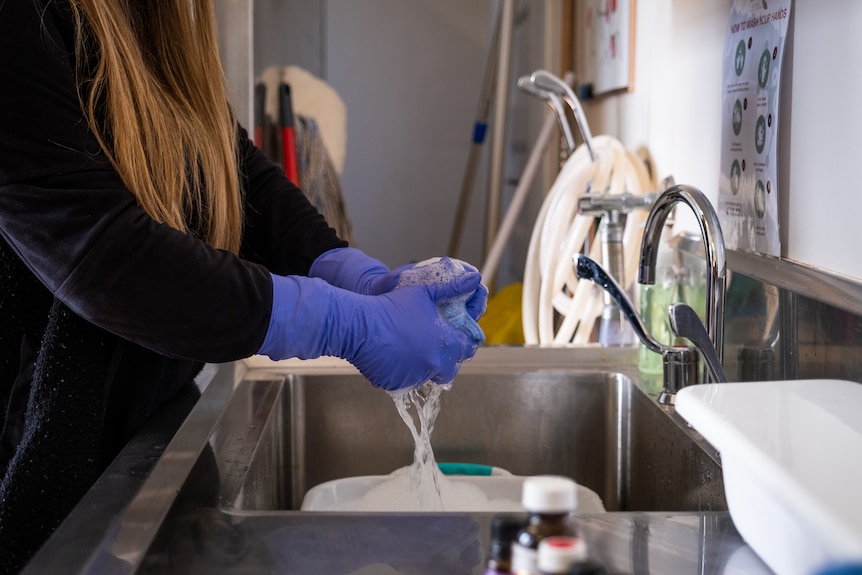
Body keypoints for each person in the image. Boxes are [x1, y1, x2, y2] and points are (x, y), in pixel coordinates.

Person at [0, 0, 487, 571]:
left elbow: (226, 168)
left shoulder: (150, 19)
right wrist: (338, 321)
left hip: (142, 441)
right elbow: (105, 251)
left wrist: (347, 270)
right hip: (39, 489)